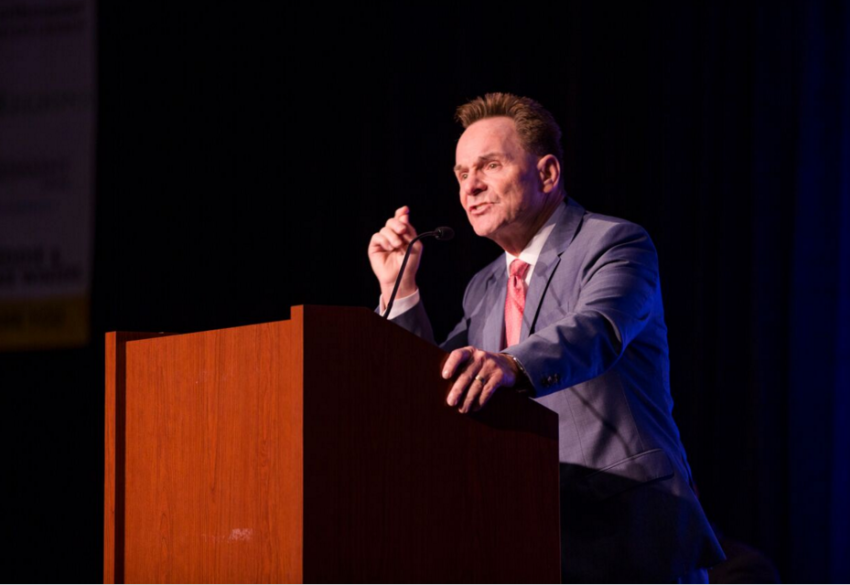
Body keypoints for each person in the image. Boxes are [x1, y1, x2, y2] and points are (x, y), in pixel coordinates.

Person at [368, 92, 724, 582]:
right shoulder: (485, 286)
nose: (470, 187)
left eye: (489, 166)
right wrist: (399, 289)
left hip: (626, 530)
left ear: (548, 174)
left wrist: (511, 364)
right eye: (461, 174)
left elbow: (597, 329)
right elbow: (433, 383)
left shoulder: (615, 243)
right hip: (524, 535)